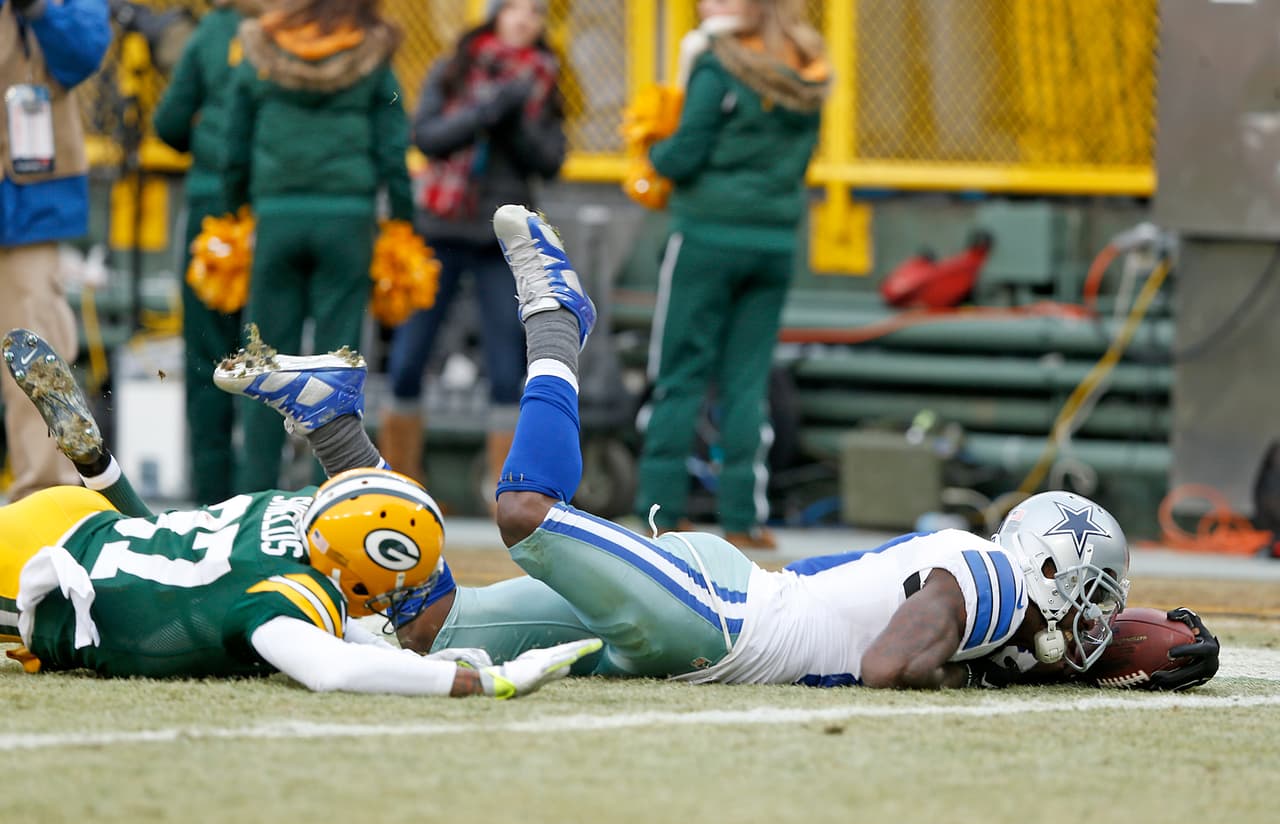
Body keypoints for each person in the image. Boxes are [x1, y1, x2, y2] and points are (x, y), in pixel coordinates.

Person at [216, 204, 1220, 691]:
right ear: (1049, 562)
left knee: (432, 620)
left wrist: (1028, 664)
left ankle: (334, 422)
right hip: (720, 620)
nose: (1084, 616)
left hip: (708, 598)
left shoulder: (986, 580)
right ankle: (558, 324)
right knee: (522, 514)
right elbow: (884, 668)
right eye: (1085, 593)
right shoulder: (988, 577)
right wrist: (999, 677)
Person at [0, 328, 599, 696]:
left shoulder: (288, 510)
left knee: (156, 543)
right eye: (392, 589)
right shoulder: (287, 594)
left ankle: (101, 469)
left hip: (81, 521)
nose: (387, 605)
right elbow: (334, 667)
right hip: (40, 574)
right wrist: (478, 681)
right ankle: (100, 466)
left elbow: (342, 630)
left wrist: (422, 656)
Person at [634, 0, 831, 549]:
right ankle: (744, 517)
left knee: (678, 374)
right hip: (774, 241)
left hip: (705, 236)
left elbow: (682, 156)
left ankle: (660, 509)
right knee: (748, 382)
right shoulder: (810, 67)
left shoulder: (717, 62)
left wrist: (653, 143)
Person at [223, 0, 413, 493]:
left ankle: (255, 494)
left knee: (262, 360)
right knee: (338, 360)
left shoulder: (262, 50)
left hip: (277, 217)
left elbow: (234, 146)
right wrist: (404, 223)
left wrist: (233, 210)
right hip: (347, 221)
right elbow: (394, 150)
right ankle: (335, 489)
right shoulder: (372, 53)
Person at [379, 0, 565, 497]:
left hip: (500, 240)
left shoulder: (544, 79)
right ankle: (399, 484)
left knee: (508, 369)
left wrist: (515, 123)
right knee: (407, 360)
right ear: (494, 15)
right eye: (517, 9)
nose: (527, 20)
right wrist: (485, 113)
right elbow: (427, 137)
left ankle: (505, 489)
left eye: (537, 13)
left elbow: (550, 160)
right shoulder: (455, 66)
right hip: (441, 229)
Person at [0, 0, 110, 501]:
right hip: (30, 197)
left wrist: (40, 7)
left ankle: (45, 498)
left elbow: (84, 51)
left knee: (35, 344)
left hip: (29, 201)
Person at [152, 0, 261, 505]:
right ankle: (267, 500)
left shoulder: (210, 31)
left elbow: (170, 123)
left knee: (207, 358)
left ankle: (213, 502)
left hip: (211, 210)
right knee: (272, 359)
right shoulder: (303, 26)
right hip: (269, 209)